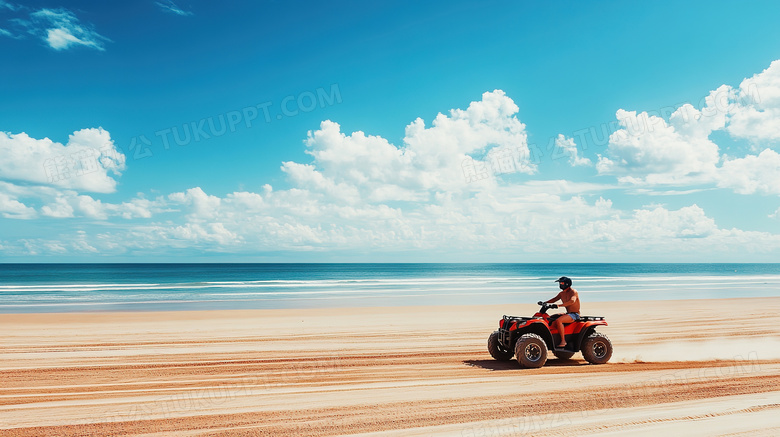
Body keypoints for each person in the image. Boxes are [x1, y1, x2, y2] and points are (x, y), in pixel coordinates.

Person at [545, 276, 581, 348]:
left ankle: (563, 341)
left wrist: (559, 305)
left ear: (567, 284)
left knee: (559, 321)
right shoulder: (562, 293)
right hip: (568, 314)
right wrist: (545, 302)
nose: (560, 284)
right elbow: (554, 299)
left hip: (575, 314)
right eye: (560, 283)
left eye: (561, 283)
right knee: (551, 318)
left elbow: (572, 301)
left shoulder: (573, 292)